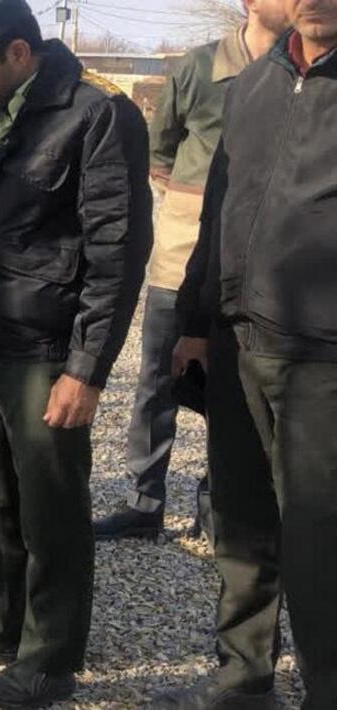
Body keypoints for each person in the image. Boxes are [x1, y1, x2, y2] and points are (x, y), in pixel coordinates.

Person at [0, 0, 152, 705]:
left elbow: (117, 251)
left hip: (49, 349)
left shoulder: (97, 114)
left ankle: (50, 655)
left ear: (17, 53)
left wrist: (87, 369)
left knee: (51, 512)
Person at [159, 0, 337, 706]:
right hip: (238, 339)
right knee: (240, 522)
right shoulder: (257, 83)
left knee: (320, 541)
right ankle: (243, 677)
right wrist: (196, 323)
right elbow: (219, 211)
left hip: (321, 356)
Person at [93, 0, 289, 543]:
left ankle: (218, 501)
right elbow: (161, 151)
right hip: (182, 253)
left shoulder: (306, 74)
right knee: (158, 378)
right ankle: (142, 504)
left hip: (258, 260)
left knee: (236, 389)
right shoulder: (197, 68)